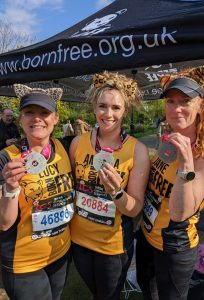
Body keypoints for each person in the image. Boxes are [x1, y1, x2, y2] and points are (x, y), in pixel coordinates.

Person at [136, 65, 204, 300]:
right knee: (147, 290)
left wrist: (186, 165)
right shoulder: (169, 141)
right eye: (170, 102)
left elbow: (180, 212)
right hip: (147, 235)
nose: (176, 109)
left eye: (185, 101)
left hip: (174, 246)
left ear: (201, 105)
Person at [69, 71, 150, 300]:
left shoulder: (137, 150)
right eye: (102, 106)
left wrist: (116, 191)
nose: (108, 114)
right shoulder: (78, 143)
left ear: (125, 110)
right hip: (79, 241)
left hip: (112, 247)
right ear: (94, 107)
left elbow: (134, 209)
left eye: (116, 108)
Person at [0, 84, 75, 300]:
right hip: (24, 262)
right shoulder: (7, 158)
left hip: (60, 252)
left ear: (56, 118)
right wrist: (11, 188)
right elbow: (4, 223)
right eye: (29, 112)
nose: (37, 119)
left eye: (44, 113)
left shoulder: (63, 148)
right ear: (21, 118)